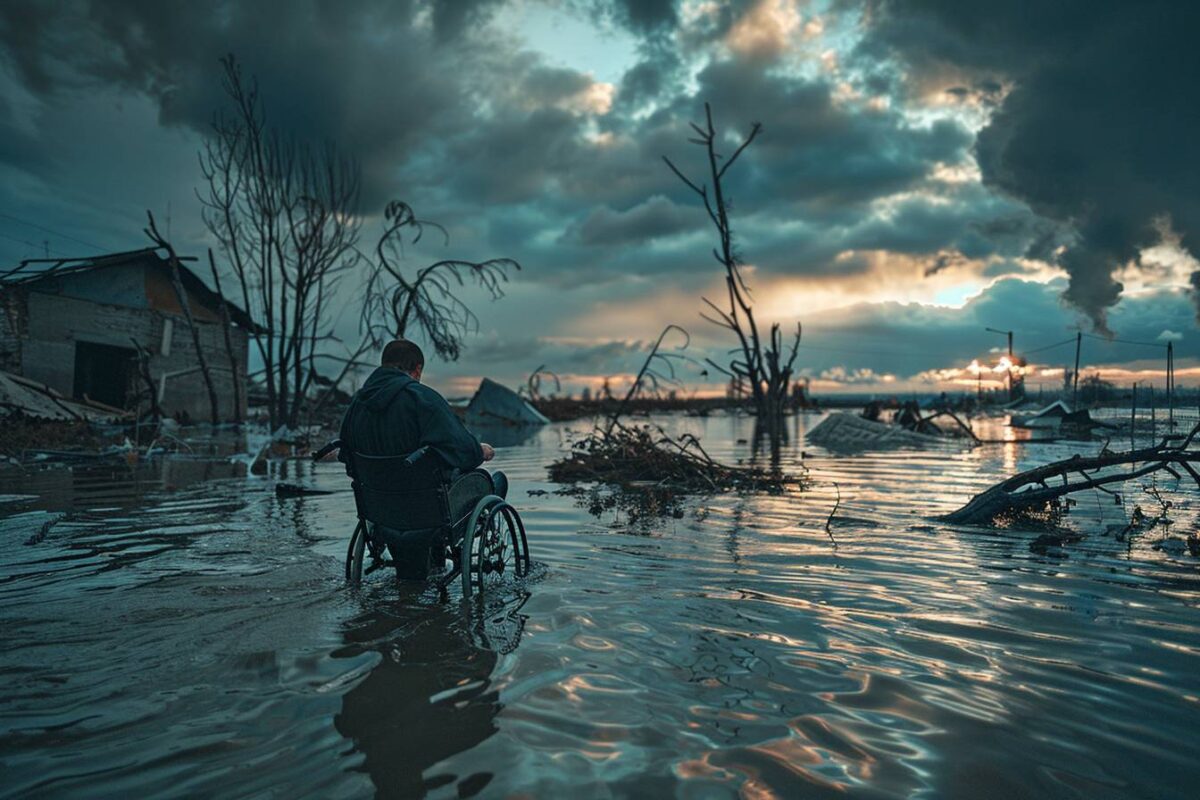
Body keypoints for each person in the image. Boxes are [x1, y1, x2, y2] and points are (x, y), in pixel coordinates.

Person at [339, 339, 507, 578]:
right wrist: (480, 450)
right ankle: (434, 567)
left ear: (384, 365)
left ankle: (429, 566)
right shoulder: (422, 399)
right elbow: (464, 453)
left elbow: (348, 460)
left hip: (381, 515)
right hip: (426, 516)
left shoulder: (357, 403)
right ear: (417, 369)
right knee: (495, 482)